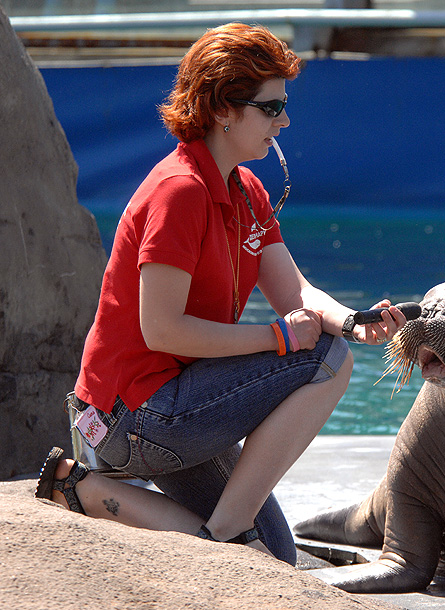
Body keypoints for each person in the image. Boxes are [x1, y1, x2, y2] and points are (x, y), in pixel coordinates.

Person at [34, 22, 407, 565]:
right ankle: (221, 540)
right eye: (271, 107)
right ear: (222, 109)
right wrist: (279, 339)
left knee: (274, 556)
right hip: (125, 419)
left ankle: (81, 491)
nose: (284, 121)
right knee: (325, 358)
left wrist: (352, 320)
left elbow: (295, 292)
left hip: (174, 407)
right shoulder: (178, 192)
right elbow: (160, 330)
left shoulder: (247, 189)